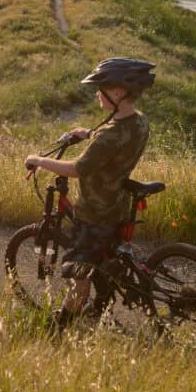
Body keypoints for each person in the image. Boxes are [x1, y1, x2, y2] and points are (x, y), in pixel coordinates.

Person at [24, 57, 155, 327]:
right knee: (104, 257)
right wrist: (88, 134)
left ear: (118, 92)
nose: (98, 93)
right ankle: (99, 307)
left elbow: (78, 168)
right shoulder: (139, 122)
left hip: (95, 212)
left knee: (78, 275)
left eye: (102, 88)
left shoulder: (108, 136)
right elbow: (115, 136)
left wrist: (39, 161)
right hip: (117, 204)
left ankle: (58, 327)